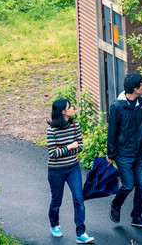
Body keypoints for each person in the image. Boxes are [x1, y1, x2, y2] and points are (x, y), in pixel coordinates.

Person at [106, 72, 142, 228]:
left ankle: (136, 217)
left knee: (141, 186)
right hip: (124, 155)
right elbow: (112, 132)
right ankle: (116, 205)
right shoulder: (117, 107)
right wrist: (111, 154)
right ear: (135, 88)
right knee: (128, 185)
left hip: (141, 153)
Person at [46, 99, 94, 243]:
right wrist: (70, 146)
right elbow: (52, 153)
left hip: (73, 167)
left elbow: (80, 147)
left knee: (79, 199)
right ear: (63, 112)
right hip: (56, 170)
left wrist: (66, 148)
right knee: (56, 201)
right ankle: (54, 225)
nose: (73, 109)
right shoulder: (51, 130)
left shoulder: (75, 126)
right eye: (70, 107)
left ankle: (80, 233)